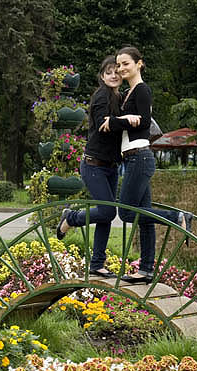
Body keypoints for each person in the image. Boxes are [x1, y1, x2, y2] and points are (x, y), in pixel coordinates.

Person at [100, 46, 192, 284]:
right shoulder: (129, 93)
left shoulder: (142, 90)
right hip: (133, 157)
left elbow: (142, 123)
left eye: (125, 64)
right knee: (144, 216)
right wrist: (120, 119)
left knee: (128, 212)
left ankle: (177, 216)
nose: (121, 69)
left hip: (139, 157)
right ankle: (146, 270)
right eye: (118, 65)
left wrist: (116, 121)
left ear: (139, 64)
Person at [56, 55, 140, 278]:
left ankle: (97, 264)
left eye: (116, 72)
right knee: (106, 210)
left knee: (105, 215)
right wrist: (128, 119)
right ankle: (70, 218)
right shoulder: (102, 96)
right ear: (102, 76)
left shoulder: (118, 96)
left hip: (110, 165)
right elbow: (106, 124)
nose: (113, 75)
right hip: (94, 164)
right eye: (108, 72)